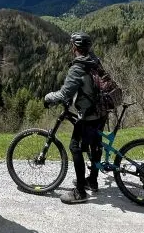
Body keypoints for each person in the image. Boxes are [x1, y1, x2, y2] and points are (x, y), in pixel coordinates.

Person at [44, 32, 106, 204]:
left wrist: (48, 98)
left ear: (74, 48)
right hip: (101, 112)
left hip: (89, 115)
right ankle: (92, 180)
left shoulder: (78, 67)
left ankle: (80, 192)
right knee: (96, 145)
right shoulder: (94, 60)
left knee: (75, 146)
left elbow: (64, 93)